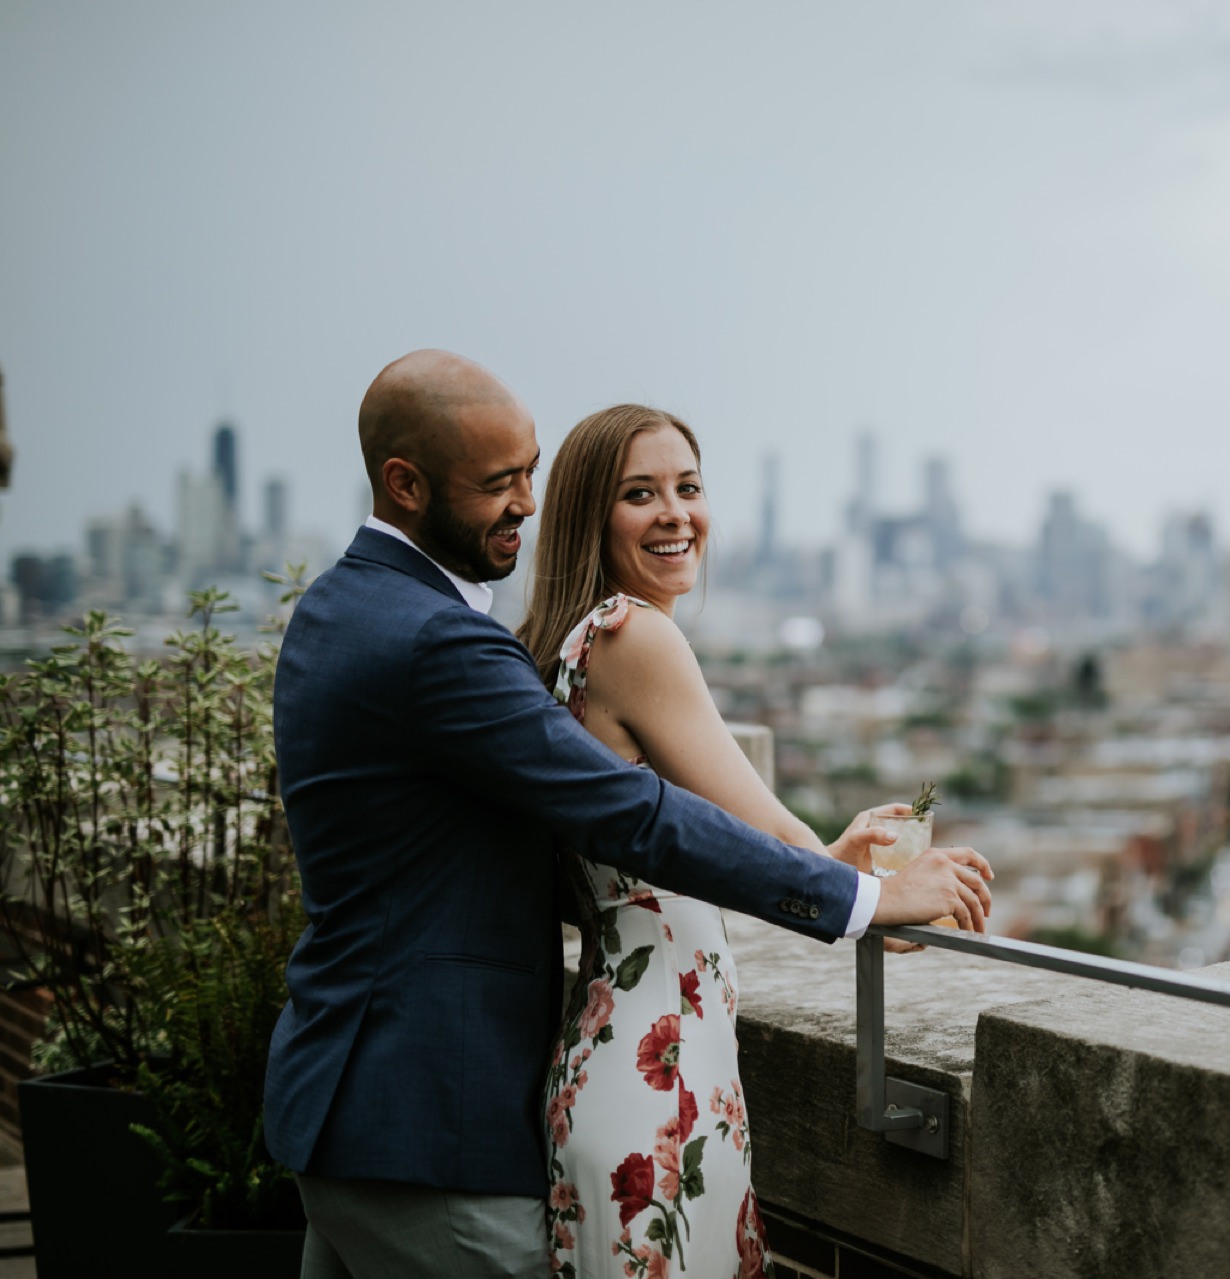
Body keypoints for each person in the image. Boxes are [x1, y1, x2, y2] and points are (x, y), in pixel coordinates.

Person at [264, 351, 993, 1279]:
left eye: (531, 471)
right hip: (429, 1126)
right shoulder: (440, 639)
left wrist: (820, 855)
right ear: (405, 485)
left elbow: (527, 856)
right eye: (499, 482)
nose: (526, 500)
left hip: (345, 1103)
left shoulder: (341, 608)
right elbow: (638, 817)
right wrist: (861, 898)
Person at [516, 404, 964, 1278]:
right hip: (661, 1085)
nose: (676, 513)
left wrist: (835, 861)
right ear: (589, 517)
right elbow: (758, 825)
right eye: (640, 493)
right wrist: (870, 898)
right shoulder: (636, 635)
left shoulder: (565, 647)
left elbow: (695, 844)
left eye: (688, 486)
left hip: (619, 1058)